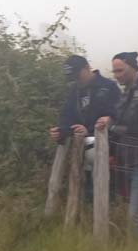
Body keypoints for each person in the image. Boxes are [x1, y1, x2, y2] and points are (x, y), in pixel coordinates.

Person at [97, 52, 138, 240]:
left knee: (136, 213)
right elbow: (120, 121)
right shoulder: (126, 92)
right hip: (126, 160)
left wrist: (114, 126)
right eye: (114, 71)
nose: (117, 75)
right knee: (135, 210)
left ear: (133, 67)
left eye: (120, 70)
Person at [48, 55, 120, 205]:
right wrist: (60, 131)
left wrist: (89, 129)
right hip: (81, 153)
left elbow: (117, 117)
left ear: (87, 68)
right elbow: (67, 116)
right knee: (85, 194)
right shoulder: (74, 90)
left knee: (107, 196)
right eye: (72, 77)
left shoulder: (109, 87)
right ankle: (83, 223)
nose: (76, 80)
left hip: (107, 152)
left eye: (77, 75)